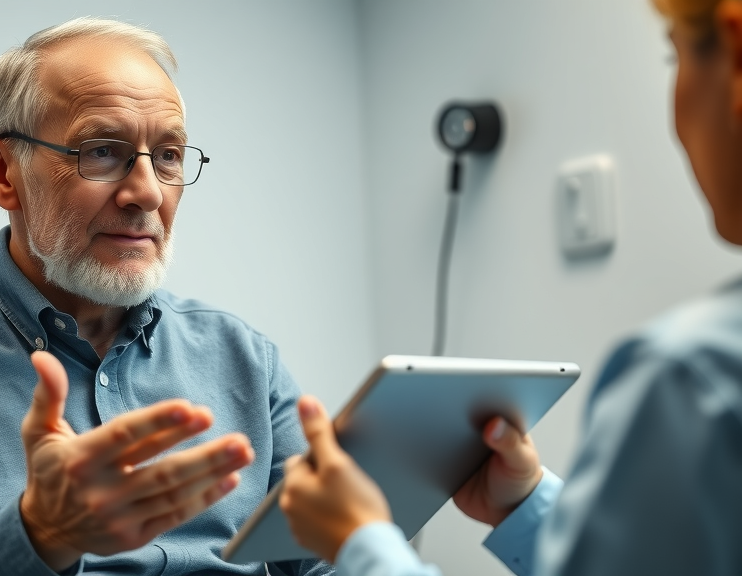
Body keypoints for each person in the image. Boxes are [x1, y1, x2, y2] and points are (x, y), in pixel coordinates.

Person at [0, 18, 336, 576]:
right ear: (2, 173)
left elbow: (321, 559)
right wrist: (38, 535)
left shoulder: (245, 356)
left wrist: (397, 509)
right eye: (103, 151)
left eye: (168, 155)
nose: (147, 193)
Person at [279, 0, 742, 574]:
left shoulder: (692, 378)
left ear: (735, 55)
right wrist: (525, 506)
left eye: (676, 56)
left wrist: (359, 540)